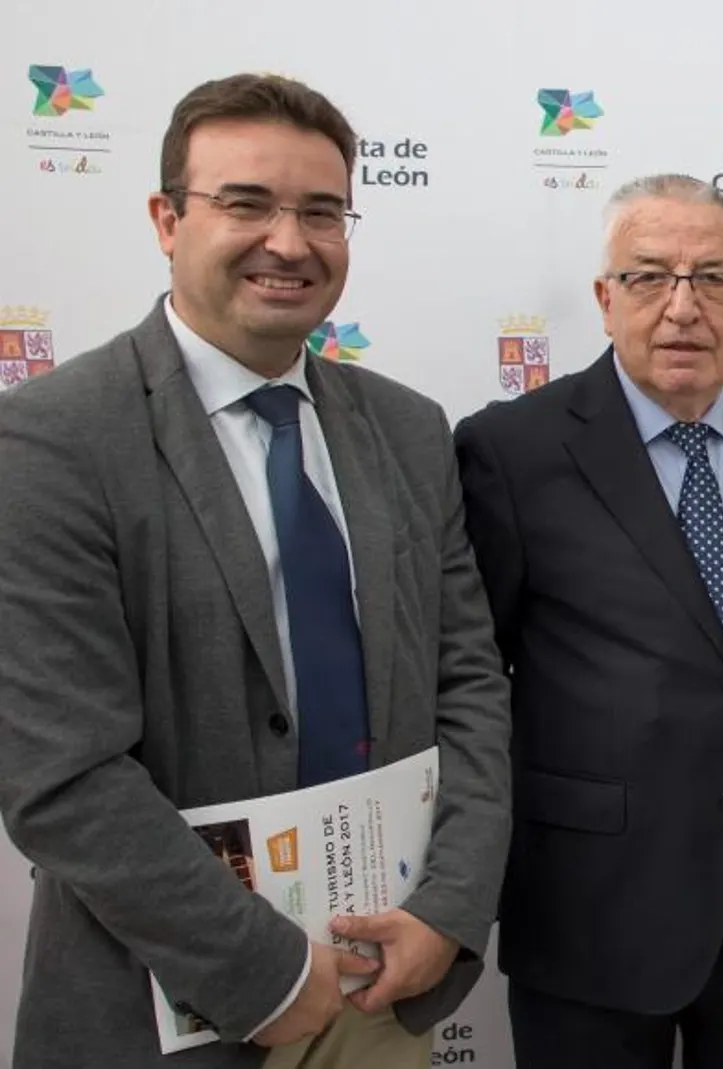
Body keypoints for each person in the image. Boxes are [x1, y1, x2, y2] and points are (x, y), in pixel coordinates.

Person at [0, 73, 512, 1069]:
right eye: (245, 203)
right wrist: (267, 971)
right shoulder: (51, 441)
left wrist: (447, 909)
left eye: (322, 211)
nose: (289, 241)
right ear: (166, 218)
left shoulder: (409, 430)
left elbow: (471, 692)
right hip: (162, 1005)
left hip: (383, 988)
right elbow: (60, 773)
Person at [454, 174, 723, 1069]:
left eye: (711, 279)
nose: (682, 307)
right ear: (603, 299)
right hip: (593, 915)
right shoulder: (512, 451)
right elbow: (474, 679)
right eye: (648, 277)